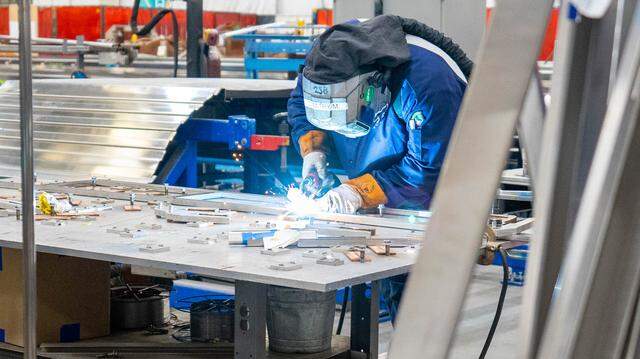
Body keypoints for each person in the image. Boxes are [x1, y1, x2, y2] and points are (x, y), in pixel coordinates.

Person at [287, 15, 472, 323]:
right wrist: (313, 150)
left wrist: (357, 191)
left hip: (432, 196)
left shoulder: (428, 84)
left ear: (372, 88)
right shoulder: (327, 61)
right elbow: (299, 105)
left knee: (415, 297)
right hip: (381, 181)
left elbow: (426, 170)